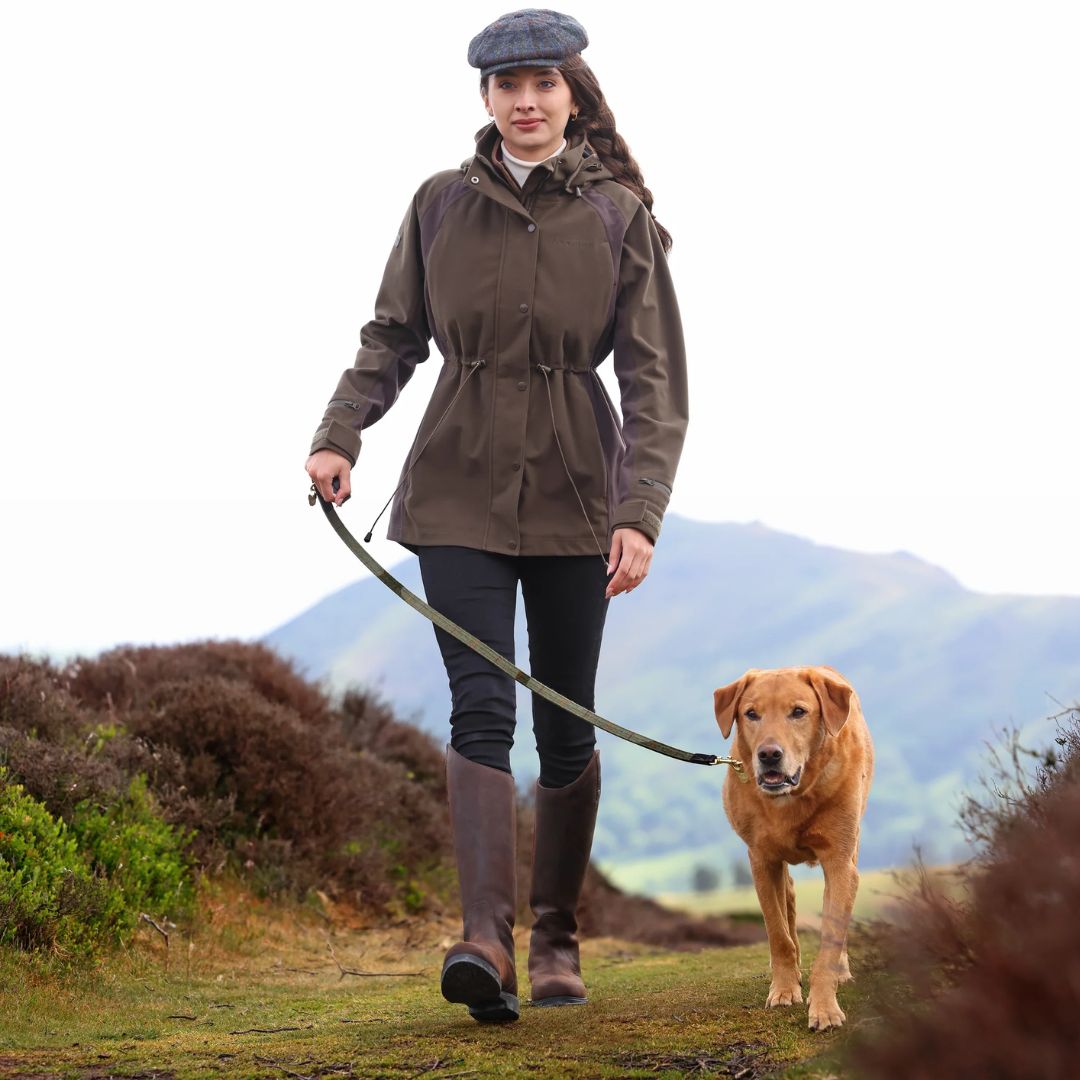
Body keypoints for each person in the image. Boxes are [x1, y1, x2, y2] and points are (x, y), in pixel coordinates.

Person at [304, 7, 689, 1025]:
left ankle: (556, 935)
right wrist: (342, 432)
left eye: (543, 86)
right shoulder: (436, 205)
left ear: (571, 95)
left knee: (565, 721)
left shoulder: (618, 218)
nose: (524, 102)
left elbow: (656, 382)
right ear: (485, 98)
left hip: (578, 500)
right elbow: (392, 335)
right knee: (481, 705)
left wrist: (638, 511)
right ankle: (485, 941)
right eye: (506, 87)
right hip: (456, 492)